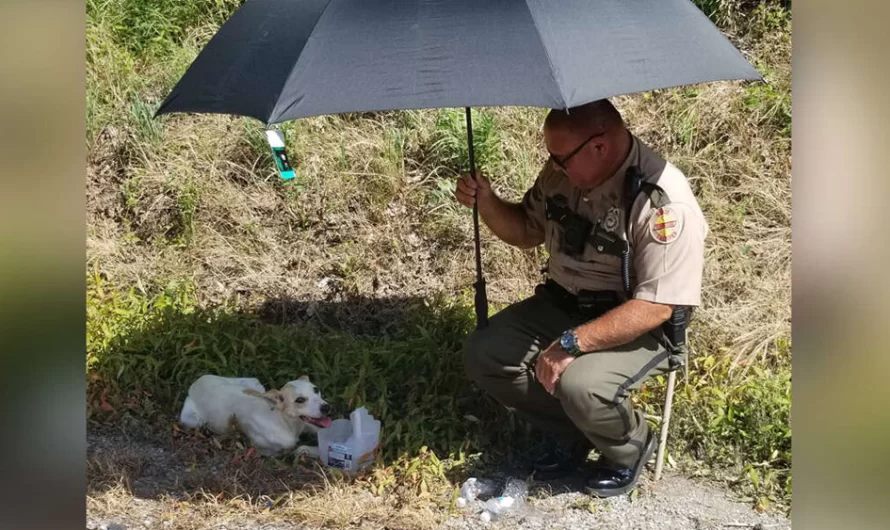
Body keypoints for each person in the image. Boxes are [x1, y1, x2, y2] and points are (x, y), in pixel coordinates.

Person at [455, 99, 707, 497]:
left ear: (600, 146)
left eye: (561, 158)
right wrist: (486, 201)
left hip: (635, 323)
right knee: (486, 352)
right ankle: (575, 433)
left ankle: (630, 448)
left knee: (580, 384)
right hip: (562, 304)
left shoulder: (662, 201)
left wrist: (571, 344)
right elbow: (526, 231)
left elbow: (659, 305)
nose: (554, 167)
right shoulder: (565, 174)